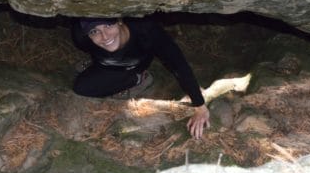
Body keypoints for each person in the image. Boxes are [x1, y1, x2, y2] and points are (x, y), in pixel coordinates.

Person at [71, 16, 211, 139]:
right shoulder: (80, 36)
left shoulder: (145, 30)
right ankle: (97, 65)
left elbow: (178, 64)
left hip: (132, 65)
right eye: (94, 31)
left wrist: (200, 106)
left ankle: (138, 79)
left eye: (108, 25)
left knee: (82, 87)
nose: (105, 36)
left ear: (119, 20)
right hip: (104, 63)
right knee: (82, 86)